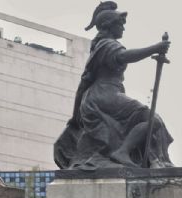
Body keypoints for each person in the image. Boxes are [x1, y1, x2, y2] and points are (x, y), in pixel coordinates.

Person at [54, 1, 174, 170]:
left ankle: (150, 159)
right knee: (152, 120)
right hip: (104, 95)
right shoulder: (106, 45)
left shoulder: (101, 46)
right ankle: (122, 153)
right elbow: (124, 56)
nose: (123, 28)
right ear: (108, 26)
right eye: (120, 24)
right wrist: (155, 48)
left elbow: (83, 85)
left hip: (103, 95)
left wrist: (75, 115)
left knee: (154, 120)